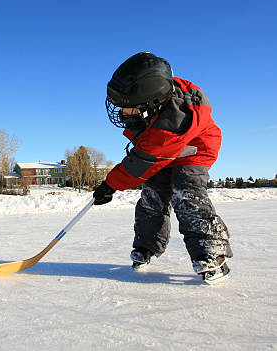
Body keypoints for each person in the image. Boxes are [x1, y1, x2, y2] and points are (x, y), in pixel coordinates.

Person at [92, 52, 232, 284]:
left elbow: (141, 163)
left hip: (193, 151)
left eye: (129, 108)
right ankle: (146, 246)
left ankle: (211, 253)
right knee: (153, 193)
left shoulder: (172, 123)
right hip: (162, 152)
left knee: (184, 192)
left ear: (152, 103)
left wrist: (110, 185)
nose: (122, 113)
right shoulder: (158, 99)